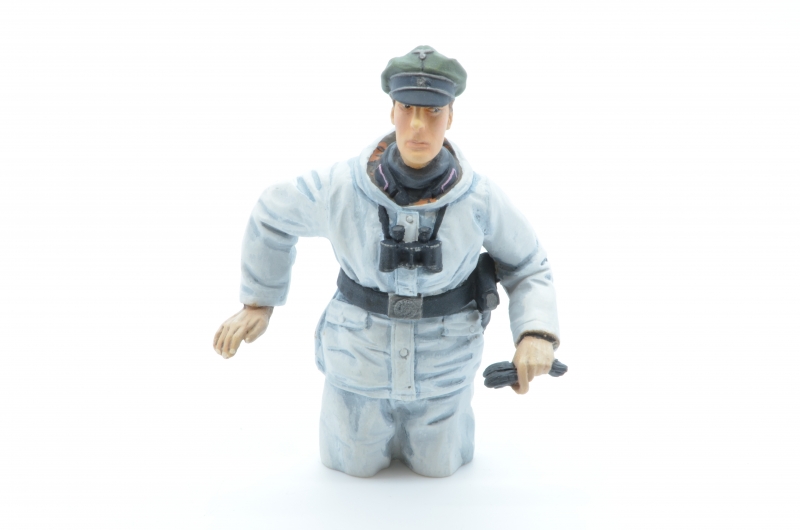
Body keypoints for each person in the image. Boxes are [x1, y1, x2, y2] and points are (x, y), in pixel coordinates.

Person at [212, 46, 560, 478]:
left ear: (451, 116)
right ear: (391, 111)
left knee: (439, 467)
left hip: (443, 372)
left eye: (433, 112)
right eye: (407, 108)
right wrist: (258, 301)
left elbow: (528, 265)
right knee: (351, 465)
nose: (418, 125)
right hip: (358, 365)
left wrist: (536, 334)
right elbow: (272, 213)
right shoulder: (341, 187)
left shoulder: (480, 199)